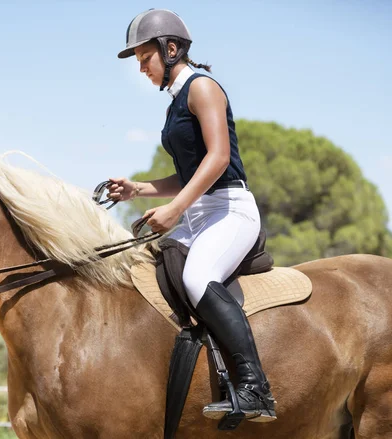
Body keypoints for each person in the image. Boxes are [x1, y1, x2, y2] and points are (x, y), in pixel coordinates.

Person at [109, 8, 276, 422]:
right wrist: (138, 188)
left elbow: (218, 159)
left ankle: (255, 388)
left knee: (197, 278)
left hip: (230, 210)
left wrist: (175, 208)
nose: (141, 68)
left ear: (169, 49)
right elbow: (187, 173)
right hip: (200, 214)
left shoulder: (203, 89)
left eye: (144, 58)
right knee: (150, 269)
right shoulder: (174, 104)